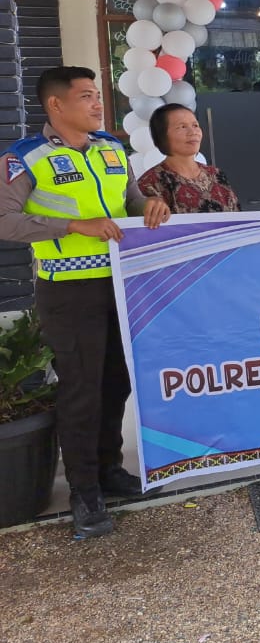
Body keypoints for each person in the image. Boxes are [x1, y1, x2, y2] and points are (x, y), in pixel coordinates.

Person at [0, 67, 171, 539]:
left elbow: (131, 200)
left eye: (98, 95)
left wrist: (150, 206)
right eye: (86, 97)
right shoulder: (25, 158)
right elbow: (6, 221)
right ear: (56, 105)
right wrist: (73, 227)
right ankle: (83, 491)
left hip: (121, 282)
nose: (98, 104)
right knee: (81, 388)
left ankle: (109, 469)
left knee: (117, 382)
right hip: (68, 290)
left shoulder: (112, 149)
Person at [137, 104, 240, 213]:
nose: (193, 132)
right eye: (182, 127)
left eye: (195, 125)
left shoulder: (216, 174)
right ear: (162, 135)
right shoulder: (150, 182)